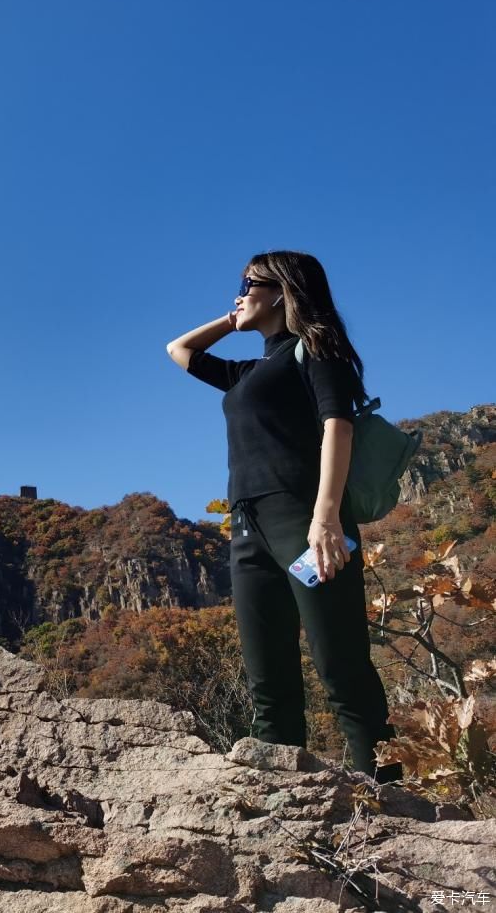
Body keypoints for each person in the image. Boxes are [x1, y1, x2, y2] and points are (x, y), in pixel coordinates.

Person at [165, 250, 402, 783]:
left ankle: (390, 799)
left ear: (281, 290)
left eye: (247, 283)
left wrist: (327, 518)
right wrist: (237, 315)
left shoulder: (315, 351)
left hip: (303, 522)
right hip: (248, 530)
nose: (237, 292)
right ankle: (282, 799)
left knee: (338, 659)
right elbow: (178, 349)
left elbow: (336, 427)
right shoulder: (249, 371)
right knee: (267, 674)